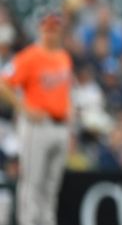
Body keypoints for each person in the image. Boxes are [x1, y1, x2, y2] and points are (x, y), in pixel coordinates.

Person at [0, 13, 73, 225]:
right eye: (47, 28)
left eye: (55, 28)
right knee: (32, 185)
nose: (51, 32)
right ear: (41, 29)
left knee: (50, 189)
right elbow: (3, 83)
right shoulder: (29, 56)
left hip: (60, 127)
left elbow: (64, 92)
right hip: (37, 126)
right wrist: (23, 109)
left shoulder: (63, 57)